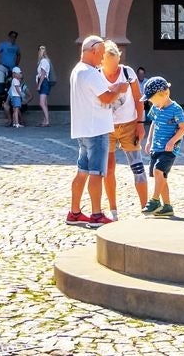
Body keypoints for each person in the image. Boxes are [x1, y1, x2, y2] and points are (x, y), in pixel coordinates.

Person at [66, 35, 126, 227]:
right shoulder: (91, 73)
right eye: (100, 53)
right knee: (96, 172)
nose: (102, 58)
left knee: (82, 171)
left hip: (83, 129)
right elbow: (107, 98)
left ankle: (74, 212)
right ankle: (96, 214)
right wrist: (119, 88)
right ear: (93, 50)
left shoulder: (77, 70)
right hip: (96, 129)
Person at [100, 41, 149, 221]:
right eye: (108, 64)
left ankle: (145, 207)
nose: (112, 68)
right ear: (102, 61)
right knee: (109, 169)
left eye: (114, 63)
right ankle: (113, 210)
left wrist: (140, 123)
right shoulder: (97, 75)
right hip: (107, 128)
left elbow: (138, 99)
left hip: (129, 125)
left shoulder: (127, 73)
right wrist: (115, 90)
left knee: (137, 167)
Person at [140, 76, 184, 218]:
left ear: (164, 94)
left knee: (158, 170)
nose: (150, 102)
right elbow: (154, 123)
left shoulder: (176, 109)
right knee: (161, 177)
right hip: (156, 147)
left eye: (152, 99)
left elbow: (183, 128)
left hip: (169, 149)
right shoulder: (156, 107)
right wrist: (148, 141)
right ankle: (167, 206)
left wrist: (172, 141)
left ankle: (154, 200)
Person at [35, 45, 55, 128]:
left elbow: (43, 74)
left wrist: (39, 85)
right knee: (45, 103)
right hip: (44, 82)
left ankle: (47, 121)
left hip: (44, 82)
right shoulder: (46, 61)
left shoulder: (43, 61)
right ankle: (45, 120)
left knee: (42, 103)